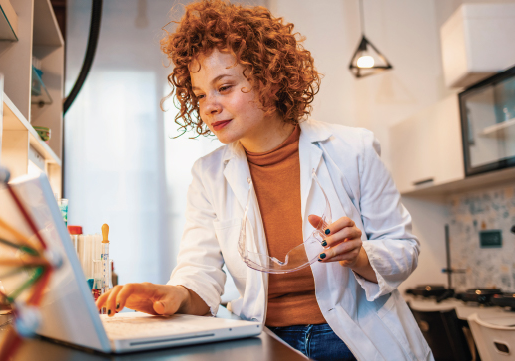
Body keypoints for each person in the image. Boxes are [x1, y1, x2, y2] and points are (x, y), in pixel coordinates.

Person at [97, 1, 433, 360]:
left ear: (270, 80)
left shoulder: (353, 149)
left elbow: (403, 249)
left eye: (224, 87)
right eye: (199, 95)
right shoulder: (208, 174)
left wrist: (360, 256)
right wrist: (173, 295)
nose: (208, 106)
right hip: (266, 341)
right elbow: (200, 274)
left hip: (357, 338)